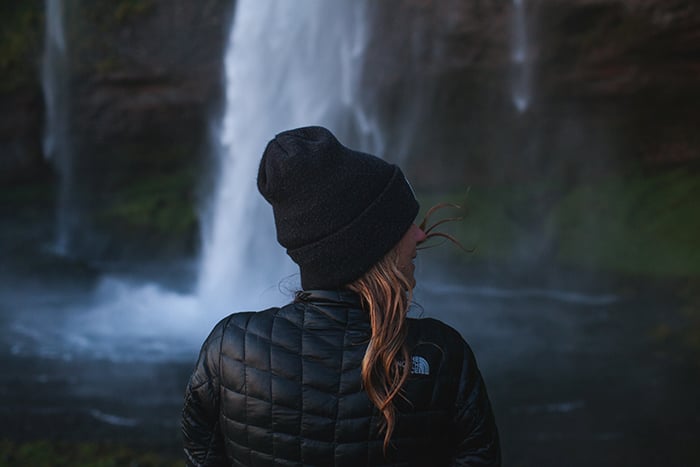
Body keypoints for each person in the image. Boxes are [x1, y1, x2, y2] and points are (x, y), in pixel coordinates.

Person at [181, 126, 501, 466]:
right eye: (402, 222)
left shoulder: (230, 348)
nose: (420, 234)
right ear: (367, 243)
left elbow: (201, 456)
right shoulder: (440, 356)